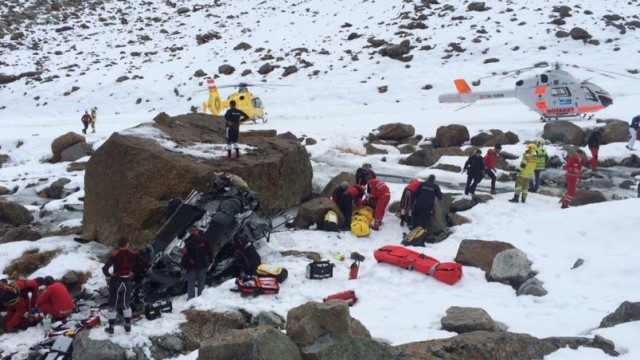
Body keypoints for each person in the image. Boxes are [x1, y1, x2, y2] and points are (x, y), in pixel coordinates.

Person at [102, 236, 150, 334]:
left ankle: (111, 328)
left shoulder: (114, 255)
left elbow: (105, 269)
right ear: (127, 244)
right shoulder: (134, 254)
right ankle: (128, 327)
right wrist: (133, 271)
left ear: (118, 245)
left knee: (113, 305)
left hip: (116, 281)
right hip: (127, 281)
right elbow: (146, 264)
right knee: (126, 304)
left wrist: (109, 275)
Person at [182, 229, 213, 300]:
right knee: (201, 281)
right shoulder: (205, 241)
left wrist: (184, 264)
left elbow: (185, 254)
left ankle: (191, 298)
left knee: (191, 282)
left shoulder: (189, 241)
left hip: (191, 265)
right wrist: (210, 261)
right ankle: (200, 297)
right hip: (202, 264)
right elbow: (210, 252)